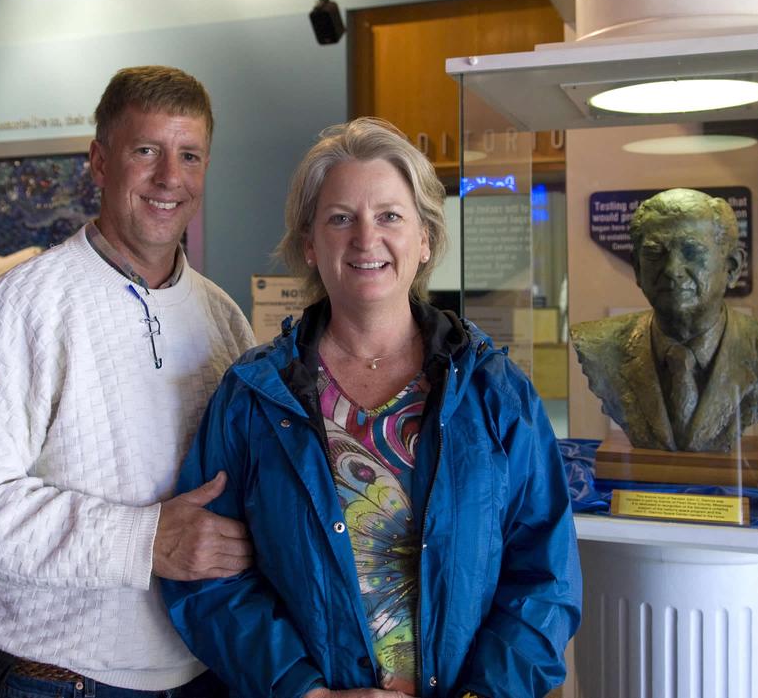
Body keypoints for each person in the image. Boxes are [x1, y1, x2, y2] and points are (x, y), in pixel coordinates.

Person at [162, 118, 581, 697]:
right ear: (309, 243)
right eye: (340, 218)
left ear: (426, 237)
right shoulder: (252, 396)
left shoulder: (496, 393)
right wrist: (304, 693)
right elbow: (210, 584)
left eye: (389, 216)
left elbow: (545, 581)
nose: (366, 238)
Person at [0, 66, 256, 698]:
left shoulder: (224, 317)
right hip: (59, 677)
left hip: (205, 665)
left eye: (189, 156)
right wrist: (143, 540)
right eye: (146, 151)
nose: (169, 179)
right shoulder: (23, 305)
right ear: (100, 162)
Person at [572, 189, 758, 453]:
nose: (672, 269)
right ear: (637, 268)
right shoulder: (598, 345)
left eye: (692, 252)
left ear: (731, 268)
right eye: (654, 253)